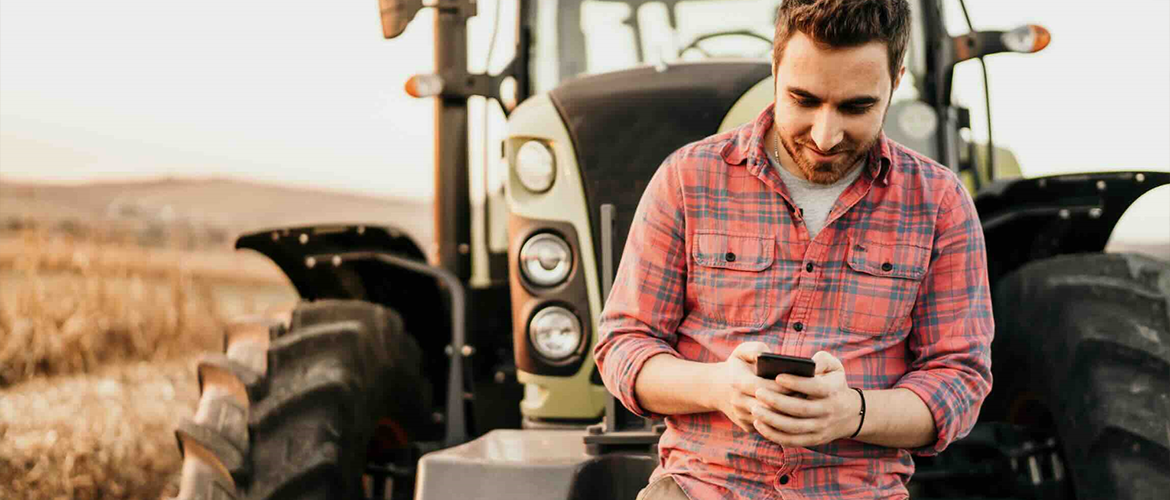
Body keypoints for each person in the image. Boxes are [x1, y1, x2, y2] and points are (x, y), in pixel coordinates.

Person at [592, 1, 994, 499]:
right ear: (775, 66)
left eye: (856, 107)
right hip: (699, 488)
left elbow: (959, 380)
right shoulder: (687, 178)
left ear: (896, 80)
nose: (825, 137)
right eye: (804, 100)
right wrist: (718, 387)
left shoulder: (940, 203)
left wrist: (853, 413)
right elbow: (624, 345)